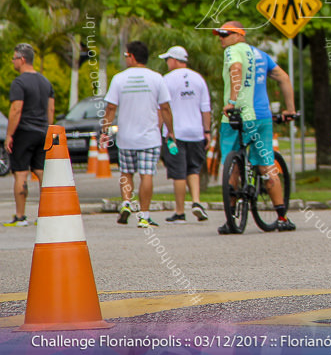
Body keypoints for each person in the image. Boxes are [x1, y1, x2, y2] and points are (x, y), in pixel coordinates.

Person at [214, 21, 294, 233]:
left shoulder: (233, 51)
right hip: (262, 116)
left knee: (232, 164)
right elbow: (283, 78)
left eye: (225, 34)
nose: (221, 38)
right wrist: (290, 110)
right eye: (219, 34)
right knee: (267, 163)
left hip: (237, 116)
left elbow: (236, 69)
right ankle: (282, 217)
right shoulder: (260, 55)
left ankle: (231, 219)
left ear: (240, 35)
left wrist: (232, 100)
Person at [101, 41, 173, 229]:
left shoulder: (119, 79)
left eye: (126, 56)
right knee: (146, 175)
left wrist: (105, 130)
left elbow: (110, 107)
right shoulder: (157, 78)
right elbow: (165, 107)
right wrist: (170, 131)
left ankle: (126, 202)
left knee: (126, 173)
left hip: (126, 137)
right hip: (149, 137)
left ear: (132, 56)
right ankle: (144, 215)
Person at [158, 46, 211, 223]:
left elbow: (162, 108)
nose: (167, 63)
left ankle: (180, 212)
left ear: (174, 60)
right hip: (196, 133)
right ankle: (196, 202)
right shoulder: (199, 79)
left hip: (175, 135)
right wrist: (207, 131)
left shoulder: (166, 80)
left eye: (167, 60)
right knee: (193, 169)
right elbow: (205, 108)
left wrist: (159, 130)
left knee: (178, 172)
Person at [3, 44, 54, 226]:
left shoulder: (19, 82)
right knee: (41, 173)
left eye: (14, 58)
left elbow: (16, 109)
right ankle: (46, 216)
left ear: (22, 59)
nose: (13, 62)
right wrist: (48, 128)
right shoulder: (45, 81)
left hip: (24, 132)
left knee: (21, 174)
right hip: (42, 132)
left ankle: (20, 216)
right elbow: (51, 108)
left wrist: (9, 135)